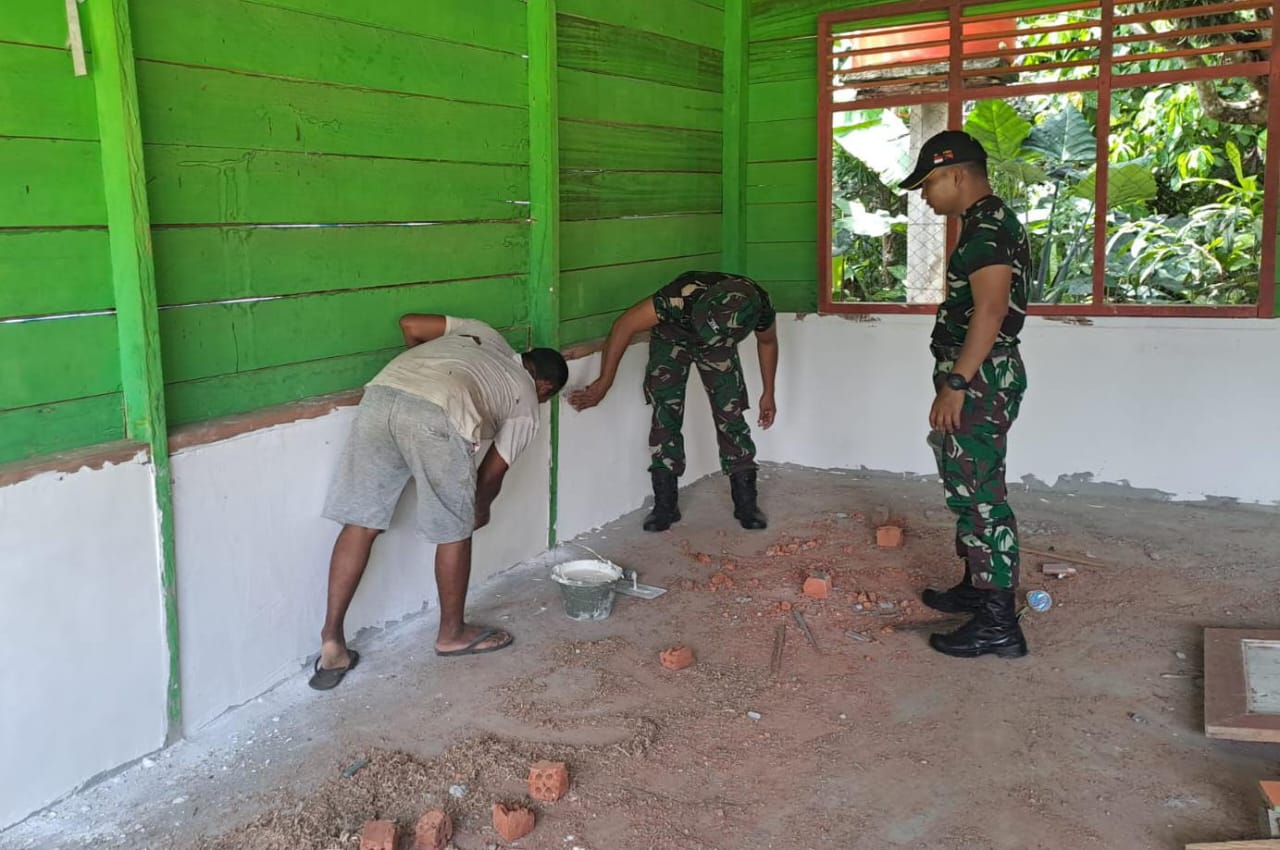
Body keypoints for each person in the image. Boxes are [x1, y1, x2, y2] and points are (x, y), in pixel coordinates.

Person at [308, 314, 568, 690]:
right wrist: (478, 510)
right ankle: (452, 634)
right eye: (547, 396)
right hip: (440, 414)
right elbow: (491, 475)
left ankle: (332, 641)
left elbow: (410, 324)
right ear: (544, 386)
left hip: (381, 397)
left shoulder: (483, 332)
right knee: (454, 532)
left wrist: (423, 381)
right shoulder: (527, 401)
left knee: (360, 524)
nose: (543, 400)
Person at [899, 131, 1032, 659]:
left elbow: (991, 311)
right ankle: (978, 588)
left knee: (981, 497)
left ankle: (999, 625)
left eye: (929, 183)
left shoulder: (988, 229)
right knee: (967, 487)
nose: (926, 196)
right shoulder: (985, 222)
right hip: (978, 375)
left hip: (978, 380)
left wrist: (957, 383)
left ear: (957, 174)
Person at [568, 271, 779, 531]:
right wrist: (605, 380)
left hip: (719, 344)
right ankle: (665, 506)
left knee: (731, 414)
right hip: (672, 337)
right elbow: (625, 324)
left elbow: (768, 342)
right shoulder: (679, 297)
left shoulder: (758, 305)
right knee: (664, 415)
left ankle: (746, 504)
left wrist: (768, 392)